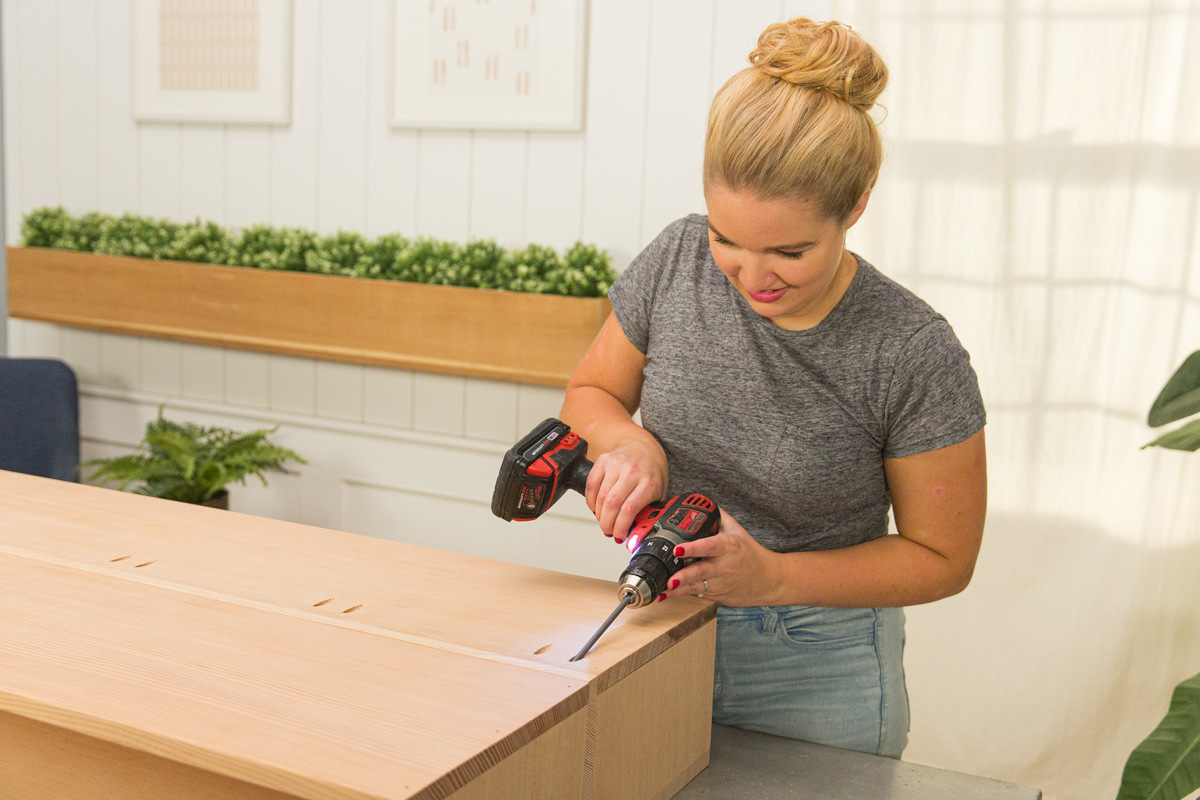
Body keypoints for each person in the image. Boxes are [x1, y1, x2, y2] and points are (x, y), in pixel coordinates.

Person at [559, 17, 987, 759]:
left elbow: (944, 558)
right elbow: (592, 390)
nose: (752, 277)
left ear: (854, 206)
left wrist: (775, 578)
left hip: (822, 667)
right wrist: (632, 448)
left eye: (790, 251)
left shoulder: (912, 351)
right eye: (728, 238)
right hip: (660, 625)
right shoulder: (677, 259)